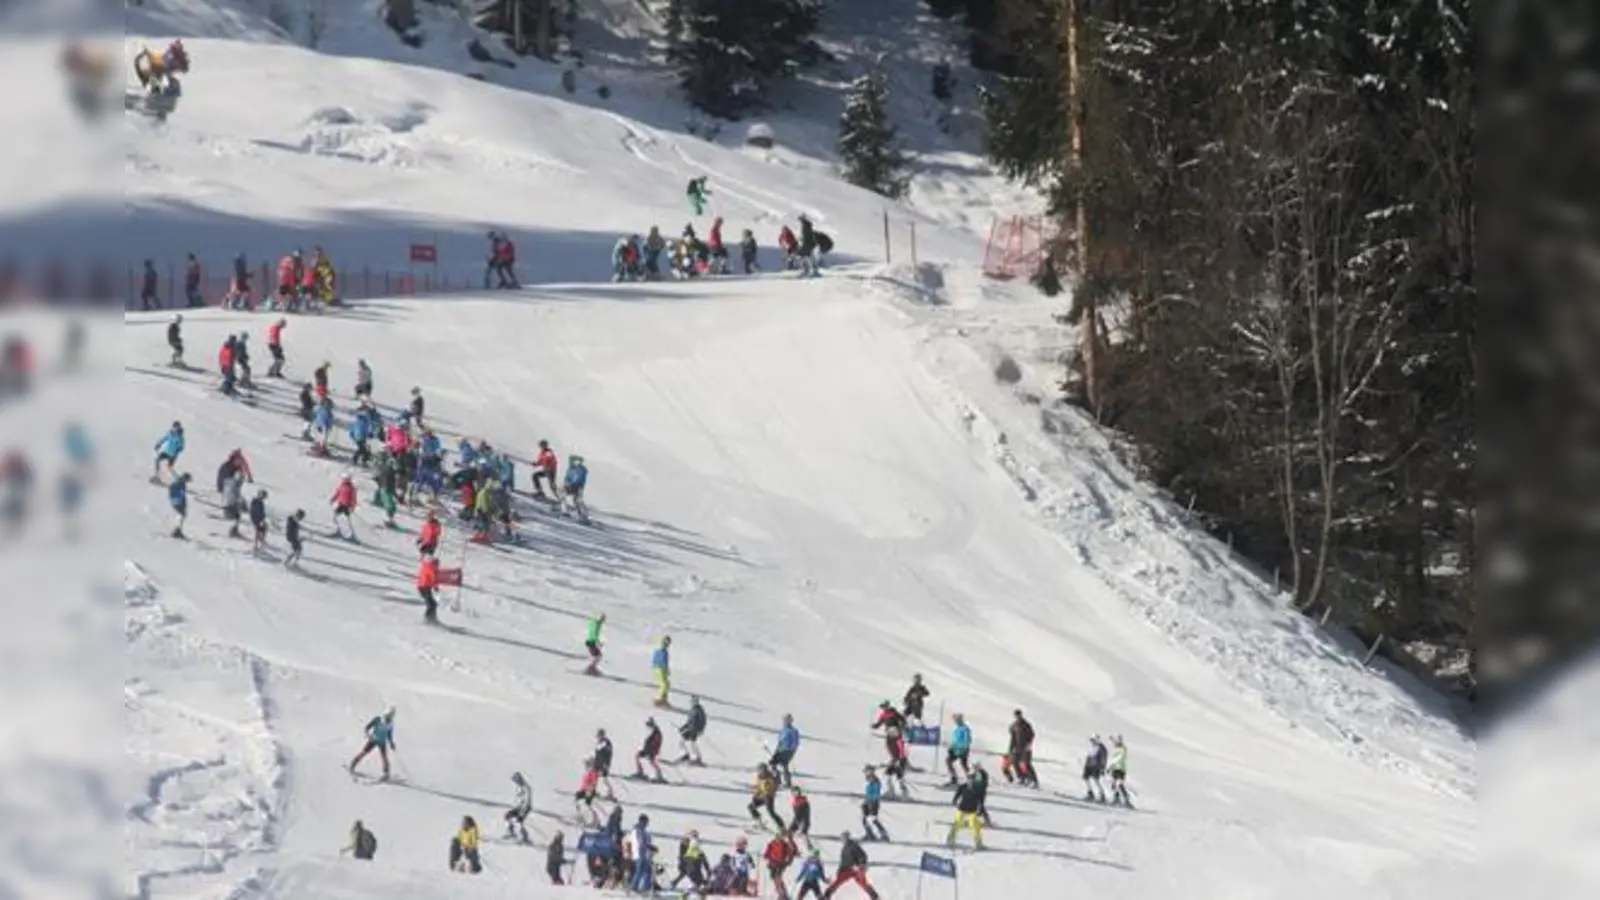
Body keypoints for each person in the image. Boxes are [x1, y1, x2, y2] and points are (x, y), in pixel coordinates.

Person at [821, 832, 879, 899]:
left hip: (855, 868)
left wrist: (861, 865)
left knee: (862, 883)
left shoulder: (853, 845)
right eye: (842, 838)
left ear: (847, 838)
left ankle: (874, 896)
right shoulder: (845, 847)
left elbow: (863, 855)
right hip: (847, 869)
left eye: (843, 838)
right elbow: (844, 860)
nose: (842, 840)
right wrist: (840, 869)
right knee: (838, 881)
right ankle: (827, 895)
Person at [347, 706, 397, 780]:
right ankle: (352, 765)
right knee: (363, 752)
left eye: (389, 716)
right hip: (373, 740)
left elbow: (389, 735)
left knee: (384, 757)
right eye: (387, 716)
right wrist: (368, 733)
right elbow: (367, 727)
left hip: (382, 742)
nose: (387, 718)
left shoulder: (390, 724)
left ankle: (386, 773)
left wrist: (391, 743)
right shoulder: (378, 719)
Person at [945, 773, 986, 850]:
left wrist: (980, 810)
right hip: (962, 808)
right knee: (957, 824)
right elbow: (957, 794)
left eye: (972, 780)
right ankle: (950, 840)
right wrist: (954, 801)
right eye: (969, 780)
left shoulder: (978, 789)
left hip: (972, 810)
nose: (970, 782)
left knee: (974, 826)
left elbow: (981, 801)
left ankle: (978, 843)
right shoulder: (963, 787)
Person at [749, 763, 785, 832]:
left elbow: (770, 790)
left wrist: (761, 795)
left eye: (762, 770)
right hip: (763, 796)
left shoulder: (769, 778)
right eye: (759, 770)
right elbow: (759, 787)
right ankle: (759, 822)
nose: (760, 772)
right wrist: (756, 795)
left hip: (769, 797)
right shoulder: (759, 777)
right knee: (751, 807)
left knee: (771, 812)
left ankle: (782, 827)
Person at [1008, 709, 1038, 787]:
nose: (1018, 717)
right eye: (1016, 715)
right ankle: (1022, 778)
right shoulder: (1013, 726)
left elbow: (1032, 735)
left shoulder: (1026, 724)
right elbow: (1012, 738)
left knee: (1026, 763)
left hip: (1025, 747)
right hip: (1017, 747)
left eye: (1019, 715)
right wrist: (1010, 749)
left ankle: (1033, 780)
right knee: (1015, 762)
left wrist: (1028, 744)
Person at [764, 832, 798, 900]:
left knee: (777, 878)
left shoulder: (784, 844)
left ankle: (781, 895)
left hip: (780, 864)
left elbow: (790, 852)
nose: (779, 838)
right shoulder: (772, 843)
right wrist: (767, 858)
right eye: (778, 837)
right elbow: (767, 852)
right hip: (772, 863)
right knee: (775, 878)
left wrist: (788, 861)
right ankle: (783, 894)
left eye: (780, 837)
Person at [771, 713, 801, 787]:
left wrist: (791, 751)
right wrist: (777, 749)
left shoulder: (793, 731)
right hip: (781, 750)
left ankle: (784, 782)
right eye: (784, 720)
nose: (784, 722)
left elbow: (795, 743)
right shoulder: (783, 730)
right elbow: (780, 741)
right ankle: (778, 780)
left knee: (781, 764)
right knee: (774, 764)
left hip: (787, 751)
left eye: (786, 720)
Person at [675, 695, 707, 765]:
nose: (692, 702)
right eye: (691, 701)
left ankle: (698, 758)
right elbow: (689, 721)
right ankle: (686, 754)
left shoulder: (699, 710)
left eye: (694, 701)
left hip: (695, 729)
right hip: (690, 728)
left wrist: (700, 729)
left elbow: (703, 721)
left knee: (692, 743)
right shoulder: (692, 710)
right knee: (681, 742)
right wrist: (683, 727)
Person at [859, 767, 889, 842]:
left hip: (873, 803)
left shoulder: (875, 781)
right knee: (864, 819)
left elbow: (876, 793)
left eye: (867, 772)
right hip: (868, 802)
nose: (865, 774)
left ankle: (884, 834)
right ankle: (869, 834)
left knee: (873, 819)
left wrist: (872, 801)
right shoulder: (868, 780)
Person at [505, 771, 533, 842]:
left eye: (516, 781)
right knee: (508, 816)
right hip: (518, 807)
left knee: (519, 821)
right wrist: (515, 807)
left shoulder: (526, 788)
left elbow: (527, 800)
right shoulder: (518, 787)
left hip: (525, 808)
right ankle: (511, 832)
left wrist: (522, 811)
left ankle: (525, 837)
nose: (515, 783)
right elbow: (517, 798)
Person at [634, 717, 664, 782]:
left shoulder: (657, 732)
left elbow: (657, 743)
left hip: (652, 750)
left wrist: (651, 749)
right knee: (637, 756)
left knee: (652, 761)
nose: (647, 727)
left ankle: (659, 776)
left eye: (648, 725)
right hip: (648, 749)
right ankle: (640, 772)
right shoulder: (653, 730)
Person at [630, 814, 655, 892]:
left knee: (646, 870)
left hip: (639, 853)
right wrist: (649, 847)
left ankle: (645, 887)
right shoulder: (639, 830)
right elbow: (641, 843)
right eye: (646, 822)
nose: (647, 824)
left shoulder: (638, 830)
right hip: (640, 853)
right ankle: (634, 887)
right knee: (640, 870)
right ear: (642, 821)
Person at [573, 758, 602, 826]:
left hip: (588, 791)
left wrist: (589, 791)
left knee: (587, 805)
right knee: (578, 800)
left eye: (586, 765)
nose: (585, 766)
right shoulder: (589, 772)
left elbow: (593, 783)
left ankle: (594, 820)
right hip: (584, 789)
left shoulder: (592, 773)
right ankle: (581, 816)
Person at [946, 713, 973, 785]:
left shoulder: (965, 729)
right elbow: (955, 740)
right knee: (949, 761)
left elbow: (967, 740)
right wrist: (951, 746)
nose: (955, 722)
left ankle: (970, 779)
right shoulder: (957, 728)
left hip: (962, 750)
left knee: (963, 764)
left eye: (956, 720)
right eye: (955, 720)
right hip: (956, 749)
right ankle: (954, 778)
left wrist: (963, 748)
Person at [562, 453, 589, 522]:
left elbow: (580, 477)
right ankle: (566, 511)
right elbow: (567, 477)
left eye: (572, 461)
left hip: (578, 486)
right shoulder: (570, 468)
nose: (570, 462)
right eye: (570, 461)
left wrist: (570, 483)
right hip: (571, 485)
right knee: (564, 496)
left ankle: (582, 515)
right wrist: (566, 483)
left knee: (577, 500)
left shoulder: (581, 469)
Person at [330, 473, 357, 540]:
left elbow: (353, 498)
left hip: (347, 505)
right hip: (341, 504)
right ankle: (337, 531)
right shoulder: (341, 486)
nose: (345, 480)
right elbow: (337, 493)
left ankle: (352, 535)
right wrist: (333, 499)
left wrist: (352, 506)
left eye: (346, 479)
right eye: (344, 479)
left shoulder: (351, 488)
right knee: (335, 517)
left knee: (347, 520)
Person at [1083, 735, 1109, 802]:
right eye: (1091, 740)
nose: (1092, 742)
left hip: (1096, 766)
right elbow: (1089, 756)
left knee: (1096, 780)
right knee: (1086, 778)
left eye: (1093, 740)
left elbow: (1103, 759)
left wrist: (1103, 767)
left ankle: (1102, 795)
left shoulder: (1101, 748)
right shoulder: (1094, 747)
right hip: (1089, 766)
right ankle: (1090, 793)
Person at [417, 552, 441, 623]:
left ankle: (432, 617)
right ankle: (427, 618)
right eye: (438, 564)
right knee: (431, 604)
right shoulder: (431, 568)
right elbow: (434, 579)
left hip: (424, 587)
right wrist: (436, 587)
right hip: (424, 587)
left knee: (433, 603)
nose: (438, 566)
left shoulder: (427, 566)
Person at [167, 472, 192, 539]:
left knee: (182, 515)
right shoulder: (180, 483)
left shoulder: (179, 482)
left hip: (177, 501)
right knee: (181, 515)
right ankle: (177, 531)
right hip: (178, 501)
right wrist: (180, 499)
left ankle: (178, 530)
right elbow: (178, 492)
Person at [1108, 735, 1131, 806]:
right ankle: (1116, 798)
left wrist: (1111, 766)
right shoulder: (1117, 748)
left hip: (1121, 769)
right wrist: (1112, 739)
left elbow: (1118, 759)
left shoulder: (1123, 749)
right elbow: (1115, 743)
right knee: (1114, 784)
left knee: (1119, 784)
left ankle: (1126, 798)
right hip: (1115, 769)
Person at [593, 728, 616, 799]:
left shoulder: (605, 743)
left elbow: (607, 755)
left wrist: (606, 764)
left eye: (599, 735)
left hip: (603, 764)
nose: (598, 737)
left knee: (604, 779)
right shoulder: (601, 742)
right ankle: (593, 791)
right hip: (598, 763)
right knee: (595, 777)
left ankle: (610, 793)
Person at [651, 635, 671, 707]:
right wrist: (664, 668)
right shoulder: (661, 651)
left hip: (660, 668)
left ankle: (664, 699)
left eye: (668, 643)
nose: (667, 645)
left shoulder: (664, 651)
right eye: (666, 643)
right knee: (664, 684)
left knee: (667, 684)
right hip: (659, 668)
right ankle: (660, 699)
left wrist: (667, 669)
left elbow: (664, 662)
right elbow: (661, 661)